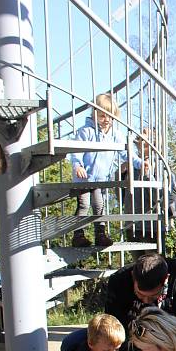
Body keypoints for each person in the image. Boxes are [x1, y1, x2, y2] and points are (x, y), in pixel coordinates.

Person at [68, 93, 146, 247]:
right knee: (84, 205)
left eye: (110, 116)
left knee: (99, 206)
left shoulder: (115, 134)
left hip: (100, 180)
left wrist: (139, 163)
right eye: (102, 116)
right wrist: (77, 165)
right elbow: (75, 151)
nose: (106, 120)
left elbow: (126, 153)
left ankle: (100, 234)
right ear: (94, 113)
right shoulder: (85, 132)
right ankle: (78, 235)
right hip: (84, 179)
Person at [105, 252, 176, 333]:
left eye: (153, 296)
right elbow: (114, 327)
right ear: (133, 277)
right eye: (140, 294)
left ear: (166, 279)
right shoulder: (118, 281)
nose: (146, 301)